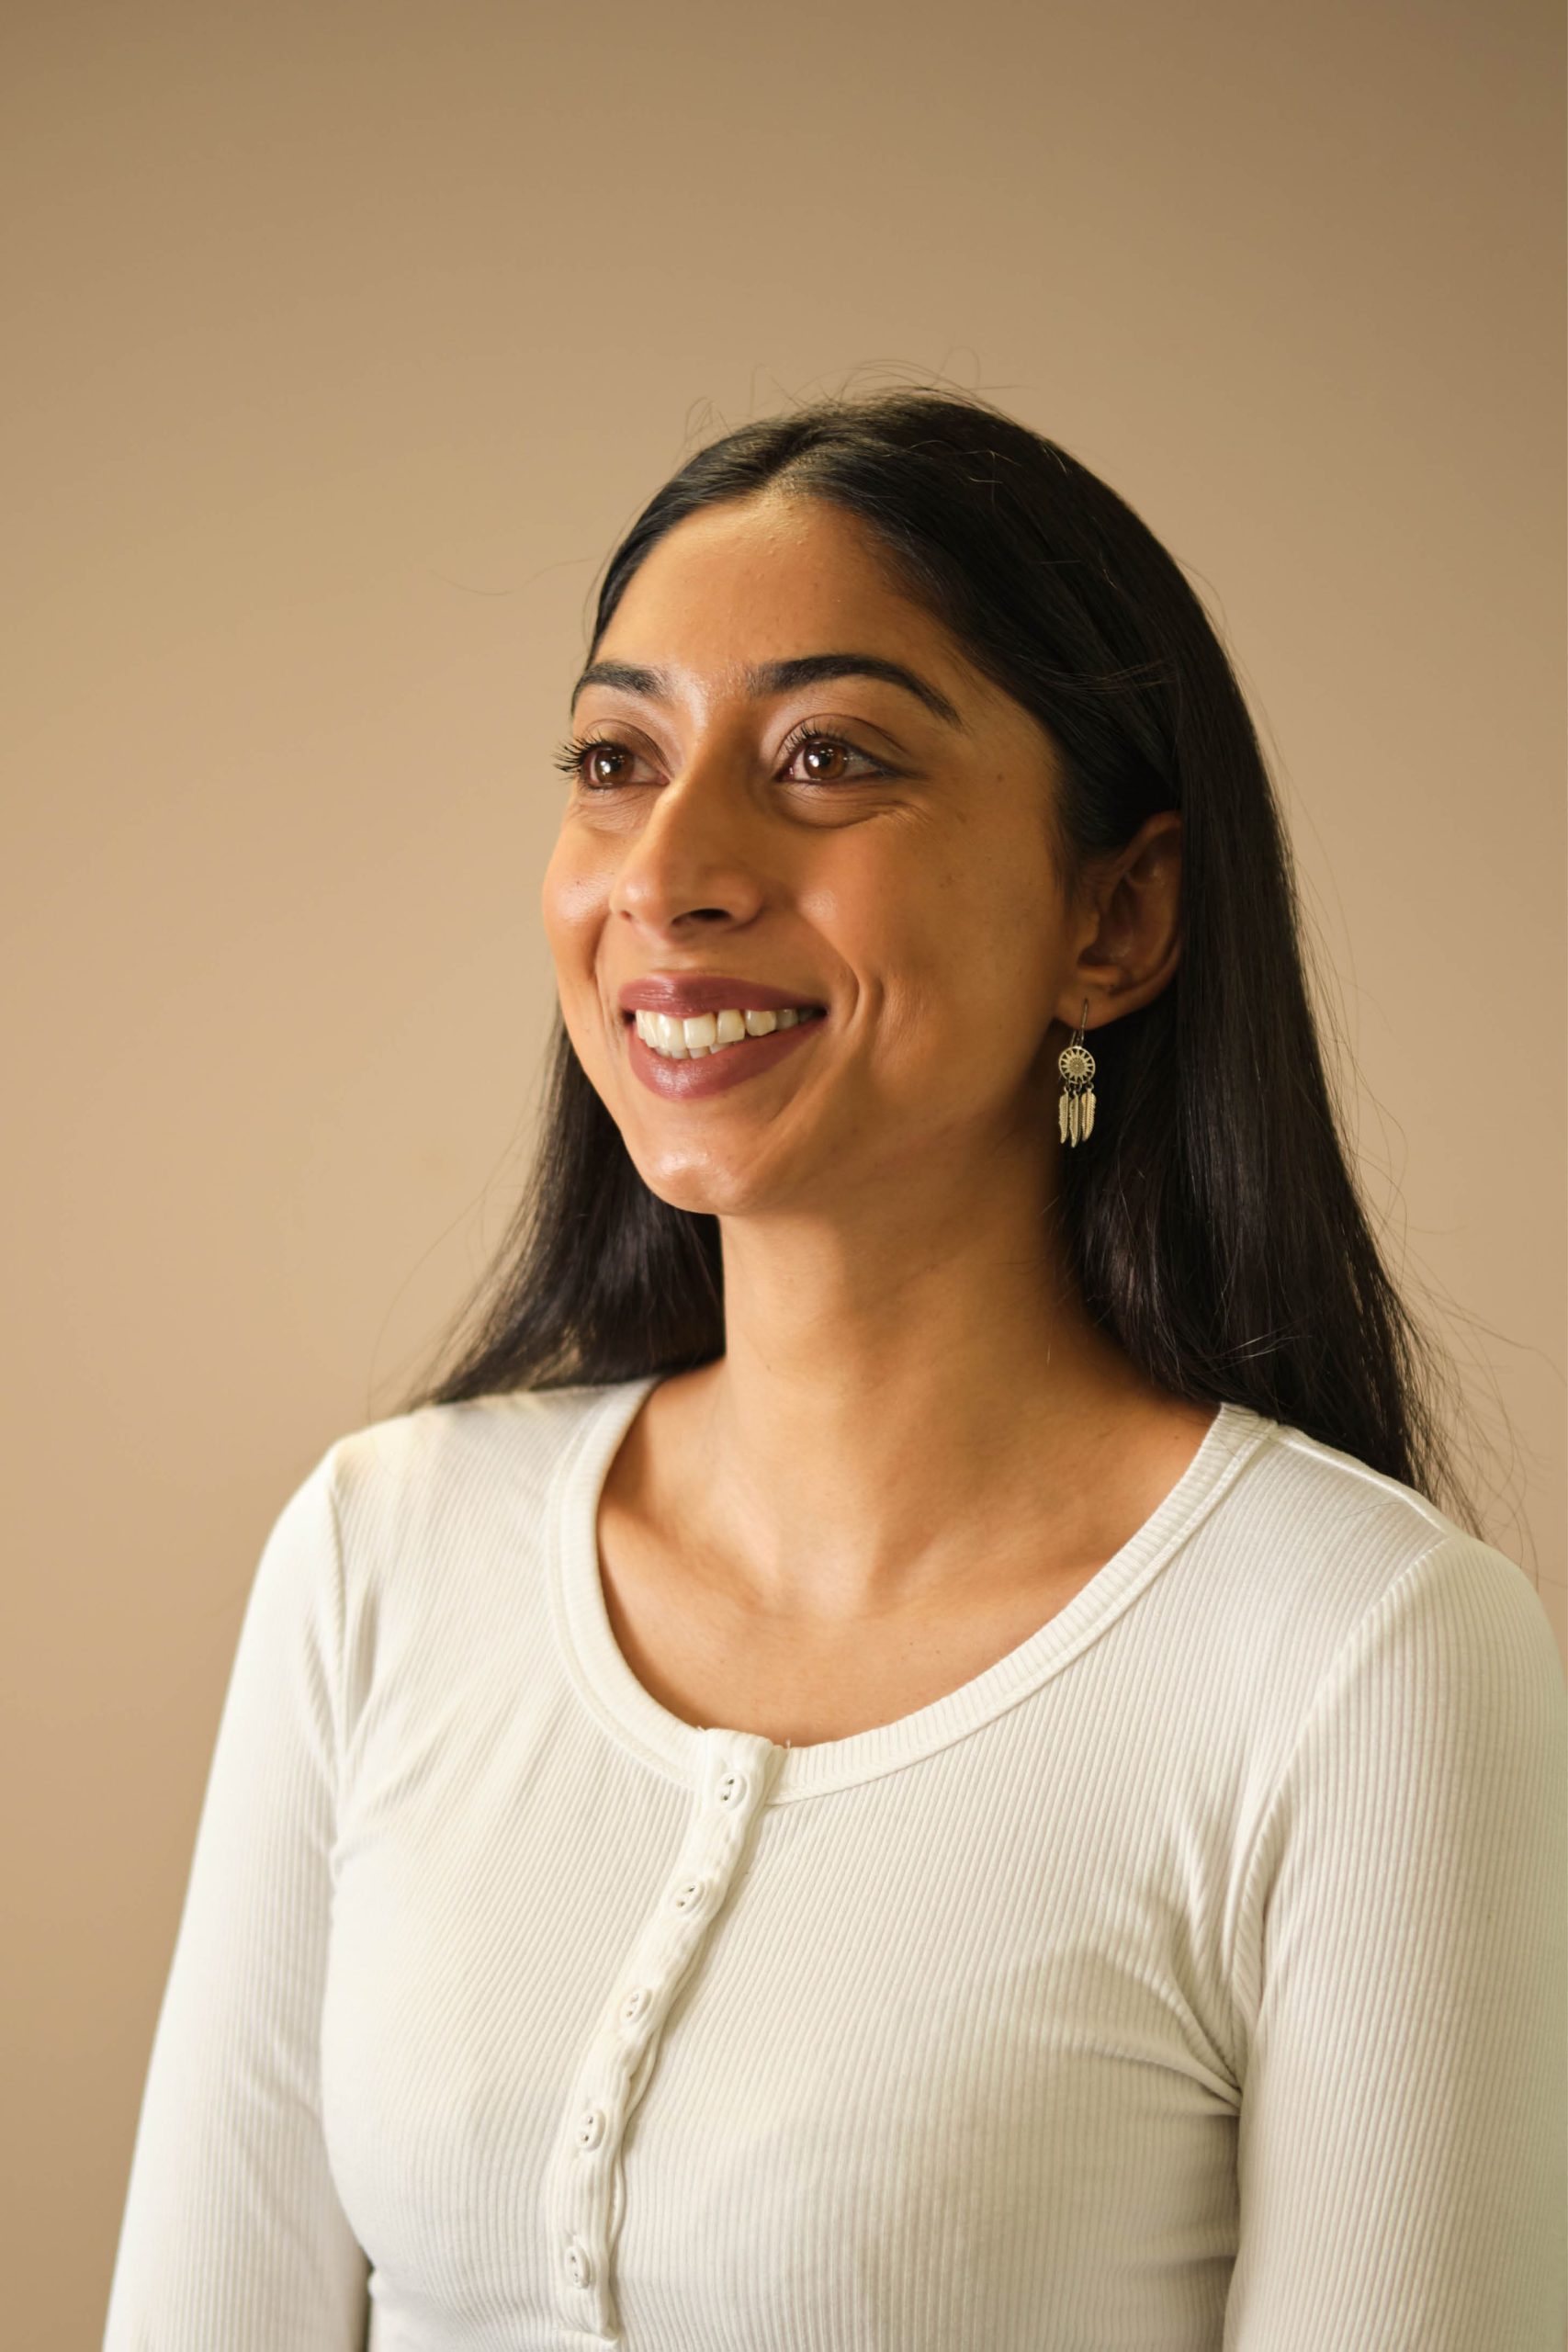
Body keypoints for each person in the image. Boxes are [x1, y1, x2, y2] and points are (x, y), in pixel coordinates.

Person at [103, 390, 1566, 2350]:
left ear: (1114, 914)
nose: (671, 868)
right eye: (614, 758)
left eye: (826, 757)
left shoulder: (1360, 1660)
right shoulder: (381, 1555)